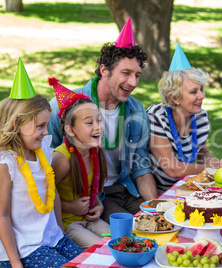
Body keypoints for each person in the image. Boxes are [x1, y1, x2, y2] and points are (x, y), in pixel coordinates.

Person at [48, 17, 158, 222]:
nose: (133, 82)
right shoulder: (64, 107)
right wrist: (66, 205)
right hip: (92, 197)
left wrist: (157, 207)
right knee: (135, 231)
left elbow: (141, 168)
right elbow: (45, 170)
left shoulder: (136, 111)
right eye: (126, 73)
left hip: (126, 189)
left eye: (137, 75)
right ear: (104, 70)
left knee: (162, 223)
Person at [0, 59, 82, 268]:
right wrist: (16, 263)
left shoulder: (42, 148)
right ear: (17, 124)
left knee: (91, 262)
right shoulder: (6, 162)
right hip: (25, 249)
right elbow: (2, 216)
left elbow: (51, 190)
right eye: (40, 126)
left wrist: (60, 233)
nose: (47, 132)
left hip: (53, 239)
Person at [147, 44, 222, 191]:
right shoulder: (157, 117)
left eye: (201, 89)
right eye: (193, 92)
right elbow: (172, 169)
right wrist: (212, 167)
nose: (202, 96)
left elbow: (202, 152)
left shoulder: (200, 116)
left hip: (186, 186)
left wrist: (218, 165)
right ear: (174, 97)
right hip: (158, 191)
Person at [49, 78, 110, 249]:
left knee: (118, 241)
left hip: (90, 219)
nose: (98, 127)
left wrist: (98, 204)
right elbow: (46, 196)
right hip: (69, 224)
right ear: (70, 130)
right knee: (102, 249)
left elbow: (90, 187)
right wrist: (70, 206)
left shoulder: (94, 151)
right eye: (89, 123)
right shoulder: (62, 159)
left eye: (99, 120)